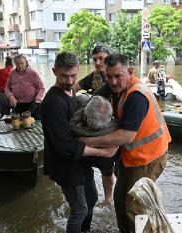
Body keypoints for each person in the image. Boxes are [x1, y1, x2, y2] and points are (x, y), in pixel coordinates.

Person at [80, 54, 171, 233]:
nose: (113, 82)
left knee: (136, 207)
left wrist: (86, 141)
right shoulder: (113, 86)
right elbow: (92, 101)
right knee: (120, 200)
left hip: (149, 158)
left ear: (130, 72)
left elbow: (126, 136)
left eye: (117, 76)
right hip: (131, 157)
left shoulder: (136, 96)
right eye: (109, 76)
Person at [41, 52, 118, 233]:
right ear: (54, 71)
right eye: (64, 76)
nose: (69, 81)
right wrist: (102, 152)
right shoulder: (53, 102)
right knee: (80, 209)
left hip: (80, 160)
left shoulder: (71, 93)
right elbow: (64, 146)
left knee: (91, 199)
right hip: (64, 164)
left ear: (78, 71)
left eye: (73, 76)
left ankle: (85, 230)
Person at [73, 44, 115, 205]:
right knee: (89, 160)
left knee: (108, 167)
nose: (98, 62)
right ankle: (92, 197)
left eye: (102, 59)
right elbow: (73, 89)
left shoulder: (116, 76)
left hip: (112, 127)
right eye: (95, 59)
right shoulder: (93, 77)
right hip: (95, 127)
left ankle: (109, 198)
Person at [5, 54, 45, 119]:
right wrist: (11, 96)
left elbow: (41, 88)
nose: (20, 66)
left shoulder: (32, 73)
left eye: (22, 63)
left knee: (35, 124)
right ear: (15, 64)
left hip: (32, 104)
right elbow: (7, 88)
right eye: (17, 64)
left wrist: (37, 100)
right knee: (19, 124)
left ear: (26, 62)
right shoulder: (12, 74)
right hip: (18, 104)